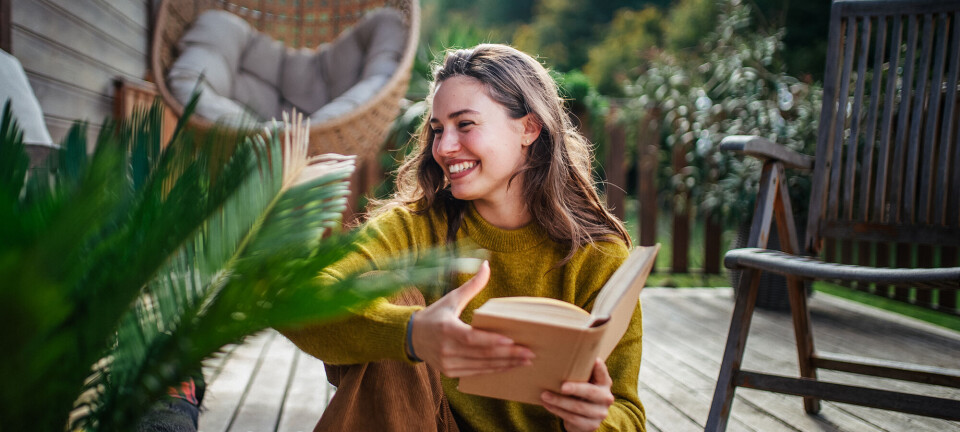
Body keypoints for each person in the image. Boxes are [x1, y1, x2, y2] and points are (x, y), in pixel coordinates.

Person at [280, 43, 645, 432]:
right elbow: (298, 298)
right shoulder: (414, 228)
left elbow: (628, 413)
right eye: (437, 130)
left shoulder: (598, 255)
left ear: (529, 127)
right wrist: (411, 332)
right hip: (424, 422)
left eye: (465, 124)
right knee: (384, 291)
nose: (444, 147)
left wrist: (594, 420)